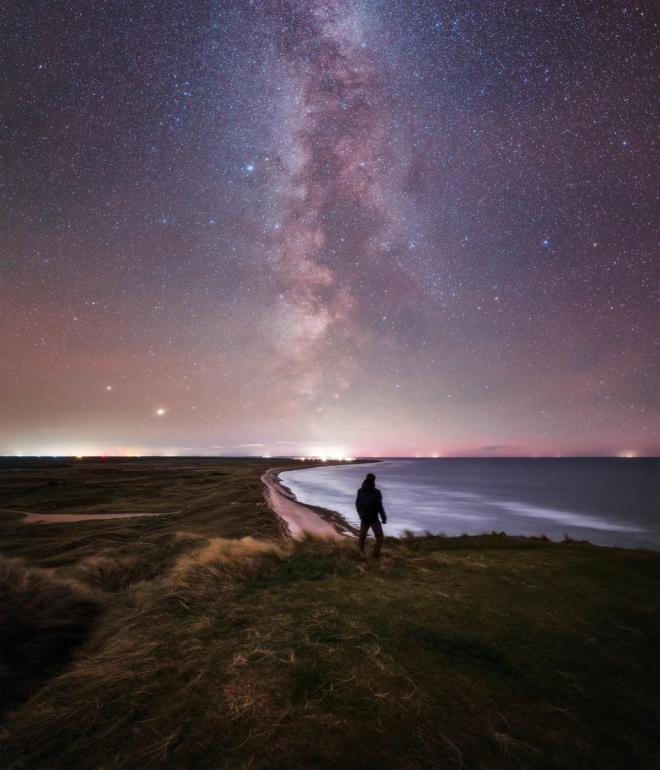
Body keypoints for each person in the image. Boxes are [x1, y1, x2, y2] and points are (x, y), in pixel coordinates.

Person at [355, 472, 387, 558]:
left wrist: (360, 515)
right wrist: (384, 518)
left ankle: (361, 553)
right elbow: (380, 507)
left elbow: (357, 504)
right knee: (380, 537)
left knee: (362, 537)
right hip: (373, 519)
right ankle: (375, 554)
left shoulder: (360, 491)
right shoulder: (376, 492)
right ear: (374, 480)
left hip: (364, 518)